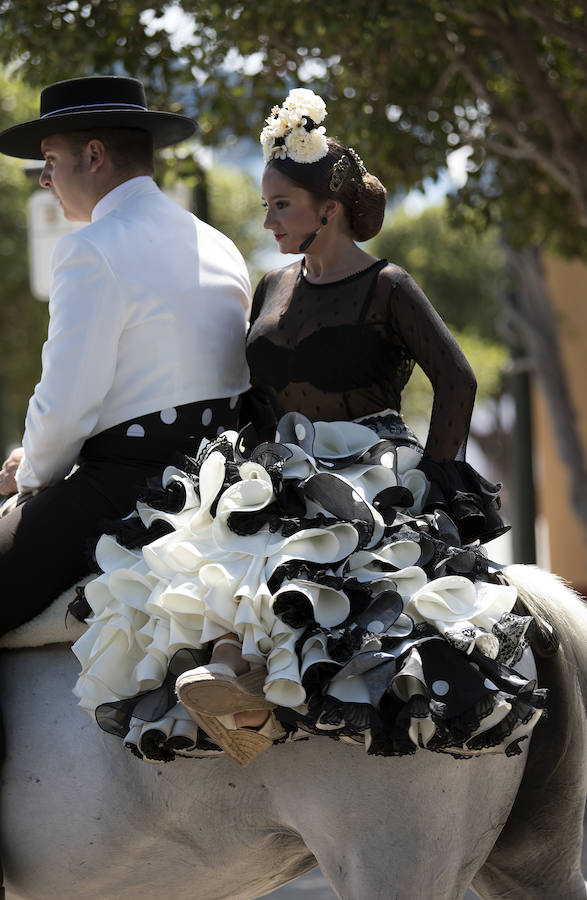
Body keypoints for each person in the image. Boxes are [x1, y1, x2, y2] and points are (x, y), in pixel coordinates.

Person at [72, 89, 545, 767]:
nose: (266, 220)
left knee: (314, 568)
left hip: (367, 465)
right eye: (264, 205)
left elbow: (458, 380)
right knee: (209, 548)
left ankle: (262, 688)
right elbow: (256, 392)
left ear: (330, 208)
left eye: (281, 205)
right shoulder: (271, 285)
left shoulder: (388, 286)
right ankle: (233, 685)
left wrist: (437, 477)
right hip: (280, 462)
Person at [0, 75, 251, 636]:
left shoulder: (89, 250)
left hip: (122, 493)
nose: (43, 178)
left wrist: (30, 475)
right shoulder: (221, 244)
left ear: (93, 156)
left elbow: (66, 406)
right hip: (218, 485)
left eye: (49, 159)